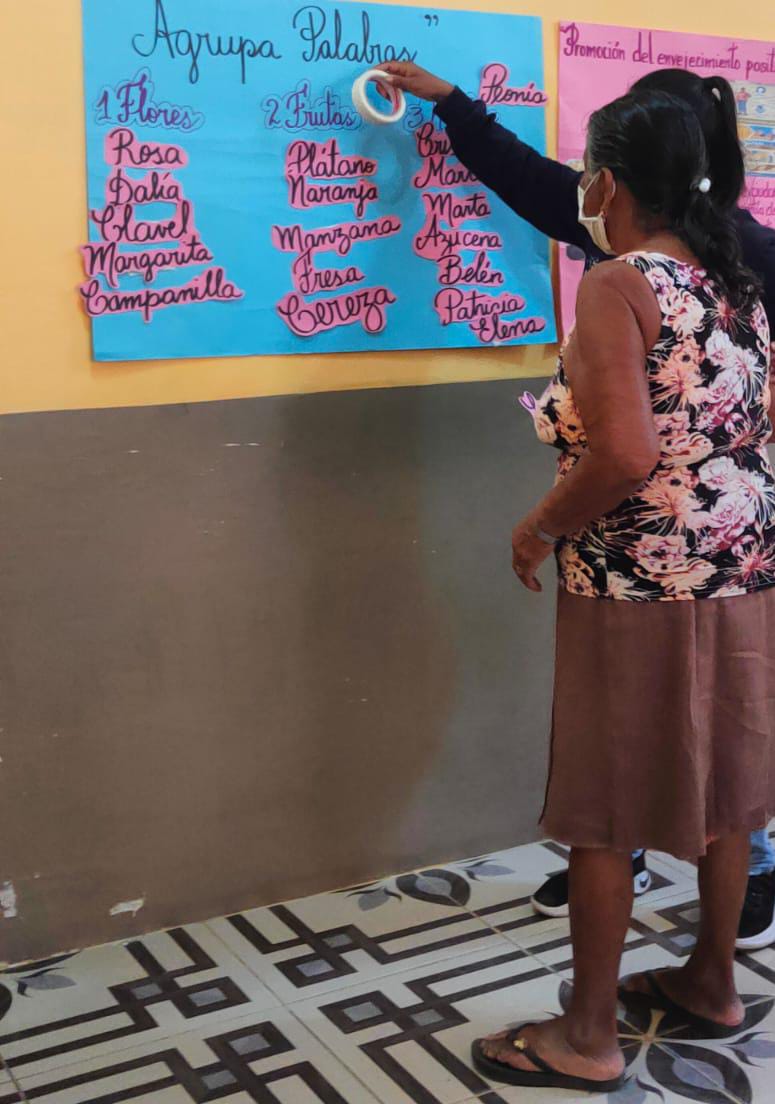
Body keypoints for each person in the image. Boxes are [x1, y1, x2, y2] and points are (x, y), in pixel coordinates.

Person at [382, 61, 775, 951]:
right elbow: (529, 180)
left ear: (621, 175)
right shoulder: (713, 260)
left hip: (647, 552)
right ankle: (704, 958)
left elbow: (627, 452)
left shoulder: (672, 269)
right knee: (722, 738)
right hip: (736, 541)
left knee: (632, 758)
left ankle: (613, 988)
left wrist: (539, 525)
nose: (584, 184)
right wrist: (456, 108)